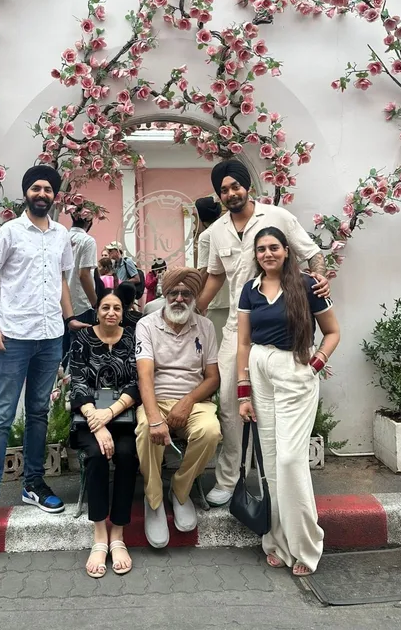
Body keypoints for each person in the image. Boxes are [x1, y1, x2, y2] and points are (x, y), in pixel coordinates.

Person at [197, 159, 330, 507]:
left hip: (284, 324)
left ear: (247, 187)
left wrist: (320, 276)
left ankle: (281, 478)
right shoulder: (216, 232)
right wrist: (195, 309)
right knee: (230, 402)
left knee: (279, 403)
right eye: (224, 190)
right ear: (219, 195)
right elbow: (215, 276)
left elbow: (312, 254)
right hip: (238, 327)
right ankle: (230, 479)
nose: (231, 193)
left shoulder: (277, 217)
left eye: (235, 186)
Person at [0, 165, 87, 541]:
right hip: (14, 339)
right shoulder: (9, 232)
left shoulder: (61, 236)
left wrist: (69, 318)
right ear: (26, 193)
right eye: (36, 188)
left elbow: (61, 281)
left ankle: (33, 484)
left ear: (55, 196)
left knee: (38, 413)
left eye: (48, 189)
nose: (42, 193)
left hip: (50, 338)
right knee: (1, 417)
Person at [237, 227, 340, 576]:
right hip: (259, 368)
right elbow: (243, 343)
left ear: (285, 251)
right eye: (261, 249)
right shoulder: (250, 290)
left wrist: (316, 364)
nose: (267, 254)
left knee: (290, 460)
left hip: (294, 369)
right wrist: (243, 391)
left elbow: (333, 331)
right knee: (269, 461)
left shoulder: (309, 285)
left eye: (274, 247)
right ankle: (277, 542)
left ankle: (306, 547)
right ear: (256, 255)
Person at [135, 267, 221, 548]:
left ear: (194, 297)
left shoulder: (205, 327)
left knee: (210, 431)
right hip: (156, 399)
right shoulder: (146, 325)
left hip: (193, 401)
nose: (179, 299)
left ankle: (181, 491)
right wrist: (155, 418)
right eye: (173, 293)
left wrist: (187, 401)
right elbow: (144, 375)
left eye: (186, 293)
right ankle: (154, 500)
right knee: (146, 430)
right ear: (164, 294)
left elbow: (213, 378)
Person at [69, 288, 140, 578]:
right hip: (88, 416)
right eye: (105, 307)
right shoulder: (82, 339)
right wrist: (96, 423)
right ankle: (100, 535)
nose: (111, 312)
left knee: (126, 454)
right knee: (97, 455)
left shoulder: (132, 338)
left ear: (123, 313)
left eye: (117, 308)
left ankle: (118, 534)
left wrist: (108, 415)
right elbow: (77, 383)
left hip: (122, 416)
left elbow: (136, 382)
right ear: (96, 311)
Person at [64, 212, 97, 363]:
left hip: (60, 305)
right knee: (80, 355)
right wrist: (95, 303)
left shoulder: (62, 238)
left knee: (63, 352)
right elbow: (84, 274)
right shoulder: (87, 241)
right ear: (89, 220)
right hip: (81, 305)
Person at [195, 197, 229, 346]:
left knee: (216, 345)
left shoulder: (206, 236)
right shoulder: (229, 230)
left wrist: (195, 295)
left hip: (216, 299)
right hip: (235, 296)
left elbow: (204, 270)